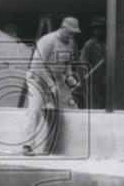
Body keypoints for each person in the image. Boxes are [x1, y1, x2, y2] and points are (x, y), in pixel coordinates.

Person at [21, 17, 80, 156]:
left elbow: (66, 65)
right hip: (38, 80)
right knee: (34, 110)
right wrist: (51, 84)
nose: (72, 36)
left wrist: (70, 79)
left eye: (74, 34)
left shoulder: (70, 43)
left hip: (55, 80)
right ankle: (27, 146)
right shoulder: (47, 41)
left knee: (72, 107)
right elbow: (36, 65)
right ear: (63, 28)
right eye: (70, 33)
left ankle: (68, 148)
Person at [79, 16, 107, 110]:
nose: (97, 31)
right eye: (96, 28)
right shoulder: (89, 45)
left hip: (107, 82)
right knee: (94, 108)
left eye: (100, 28)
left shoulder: (110, 43)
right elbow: (83, 63)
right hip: (93, 83)